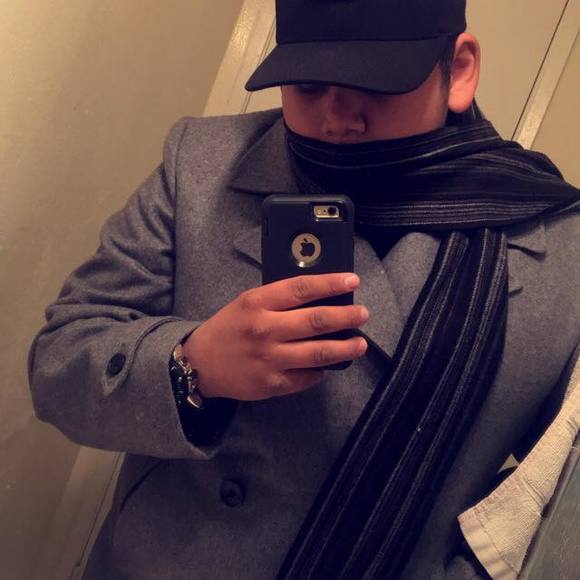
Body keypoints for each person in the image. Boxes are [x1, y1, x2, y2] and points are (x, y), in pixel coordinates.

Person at [27, 0, 579, 579]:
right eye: (309, 85)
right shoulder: (201, 164)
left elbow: (554, 493)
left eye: (377, 83)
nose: (337, 119)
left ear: (459, 70)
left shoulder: (560, 249)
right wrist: (194, 367)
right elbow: (58, 363)